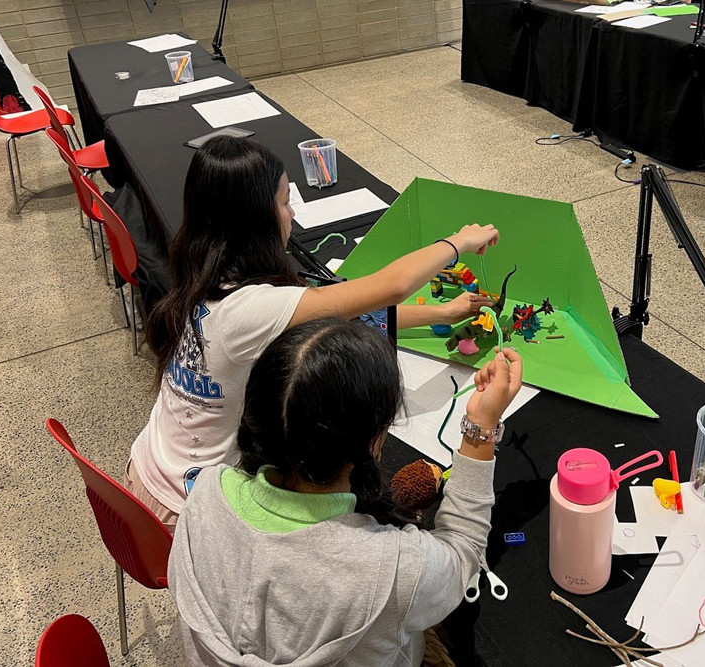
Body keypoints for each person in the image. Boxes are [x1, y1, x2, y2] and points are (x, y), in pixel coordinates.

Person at [126, 136, 499, 530]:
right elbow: (391, 285)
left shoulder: (202, 280)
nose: (291, 215)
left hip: (146, 472)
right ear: (256, 219)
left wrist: (445, 311)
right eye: (285, 202)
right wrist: (459, 241)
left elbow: (349, 309)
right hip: (181, 514)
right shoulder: (250, 310)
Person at [168, 318, 523, 666]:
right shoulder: (393, 570)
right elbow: (463, 553)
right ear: (373, 441)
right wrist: (480, 426)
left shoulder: (205, 494)